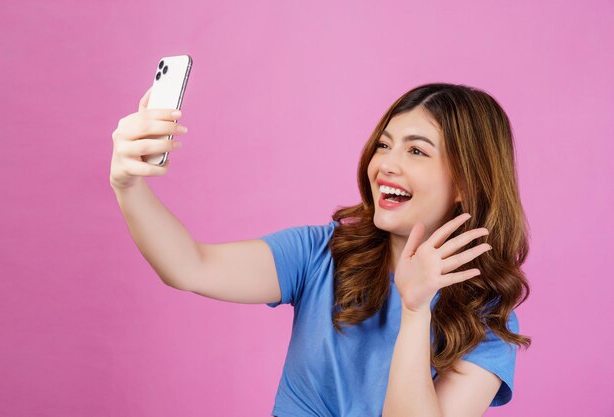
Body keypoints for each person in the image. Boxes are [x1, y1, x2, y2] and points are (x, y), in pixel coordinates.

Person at [110, 82, 532, 417]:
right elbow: (190, 266)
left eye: (416, 150)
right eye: (384, 144)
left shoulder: (487, 319)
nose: (385, 164)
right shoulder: (322, 253)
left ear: (466, 184)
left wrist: (416, 311)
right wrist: (127, 185)